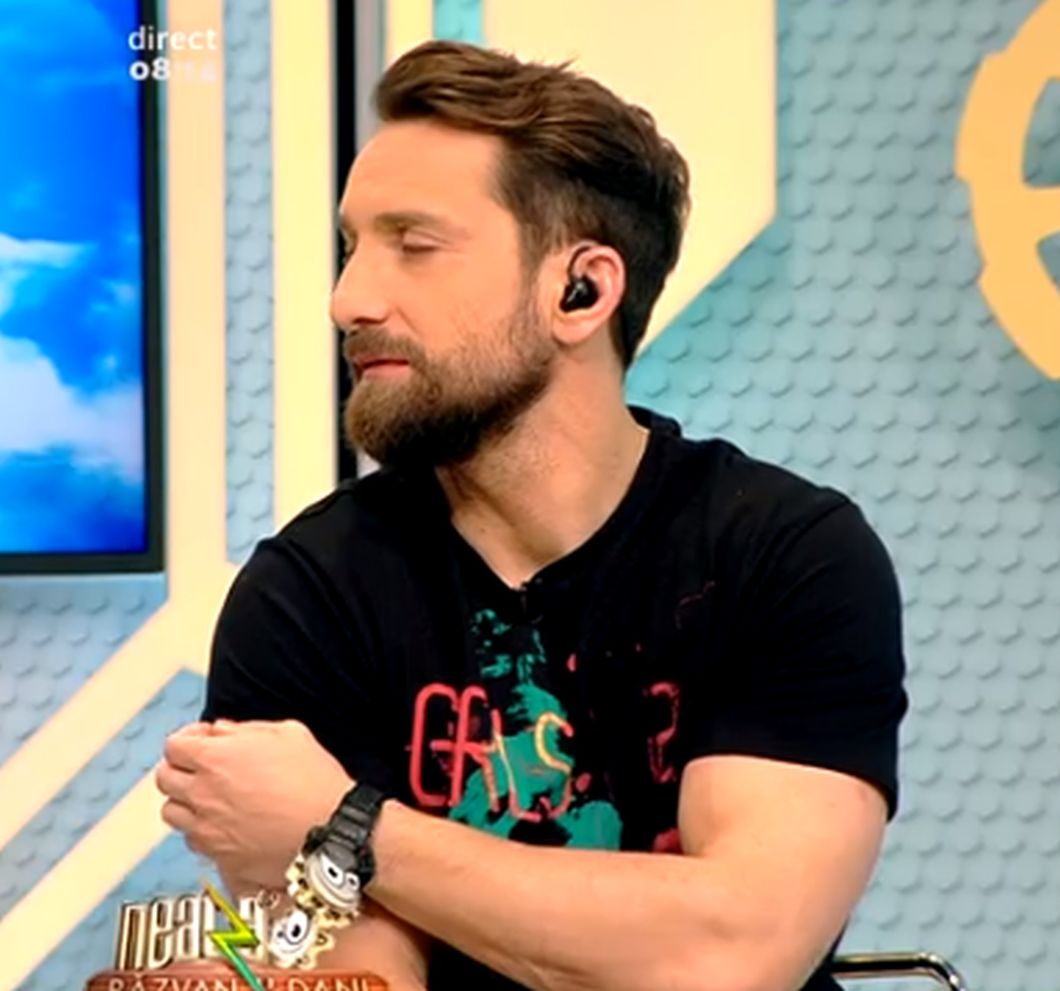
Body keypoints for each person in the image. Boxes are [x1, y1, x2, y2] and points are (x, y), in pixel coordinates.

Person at [155, 39, 908, 991]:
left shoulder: (786, 554)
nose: (349, 300)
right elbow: (363, 975)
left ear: (580, 290)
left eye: (413, 245)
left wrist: (347, 825)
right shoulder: (308, 592)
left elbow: (731, 956)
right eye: (353, 247)